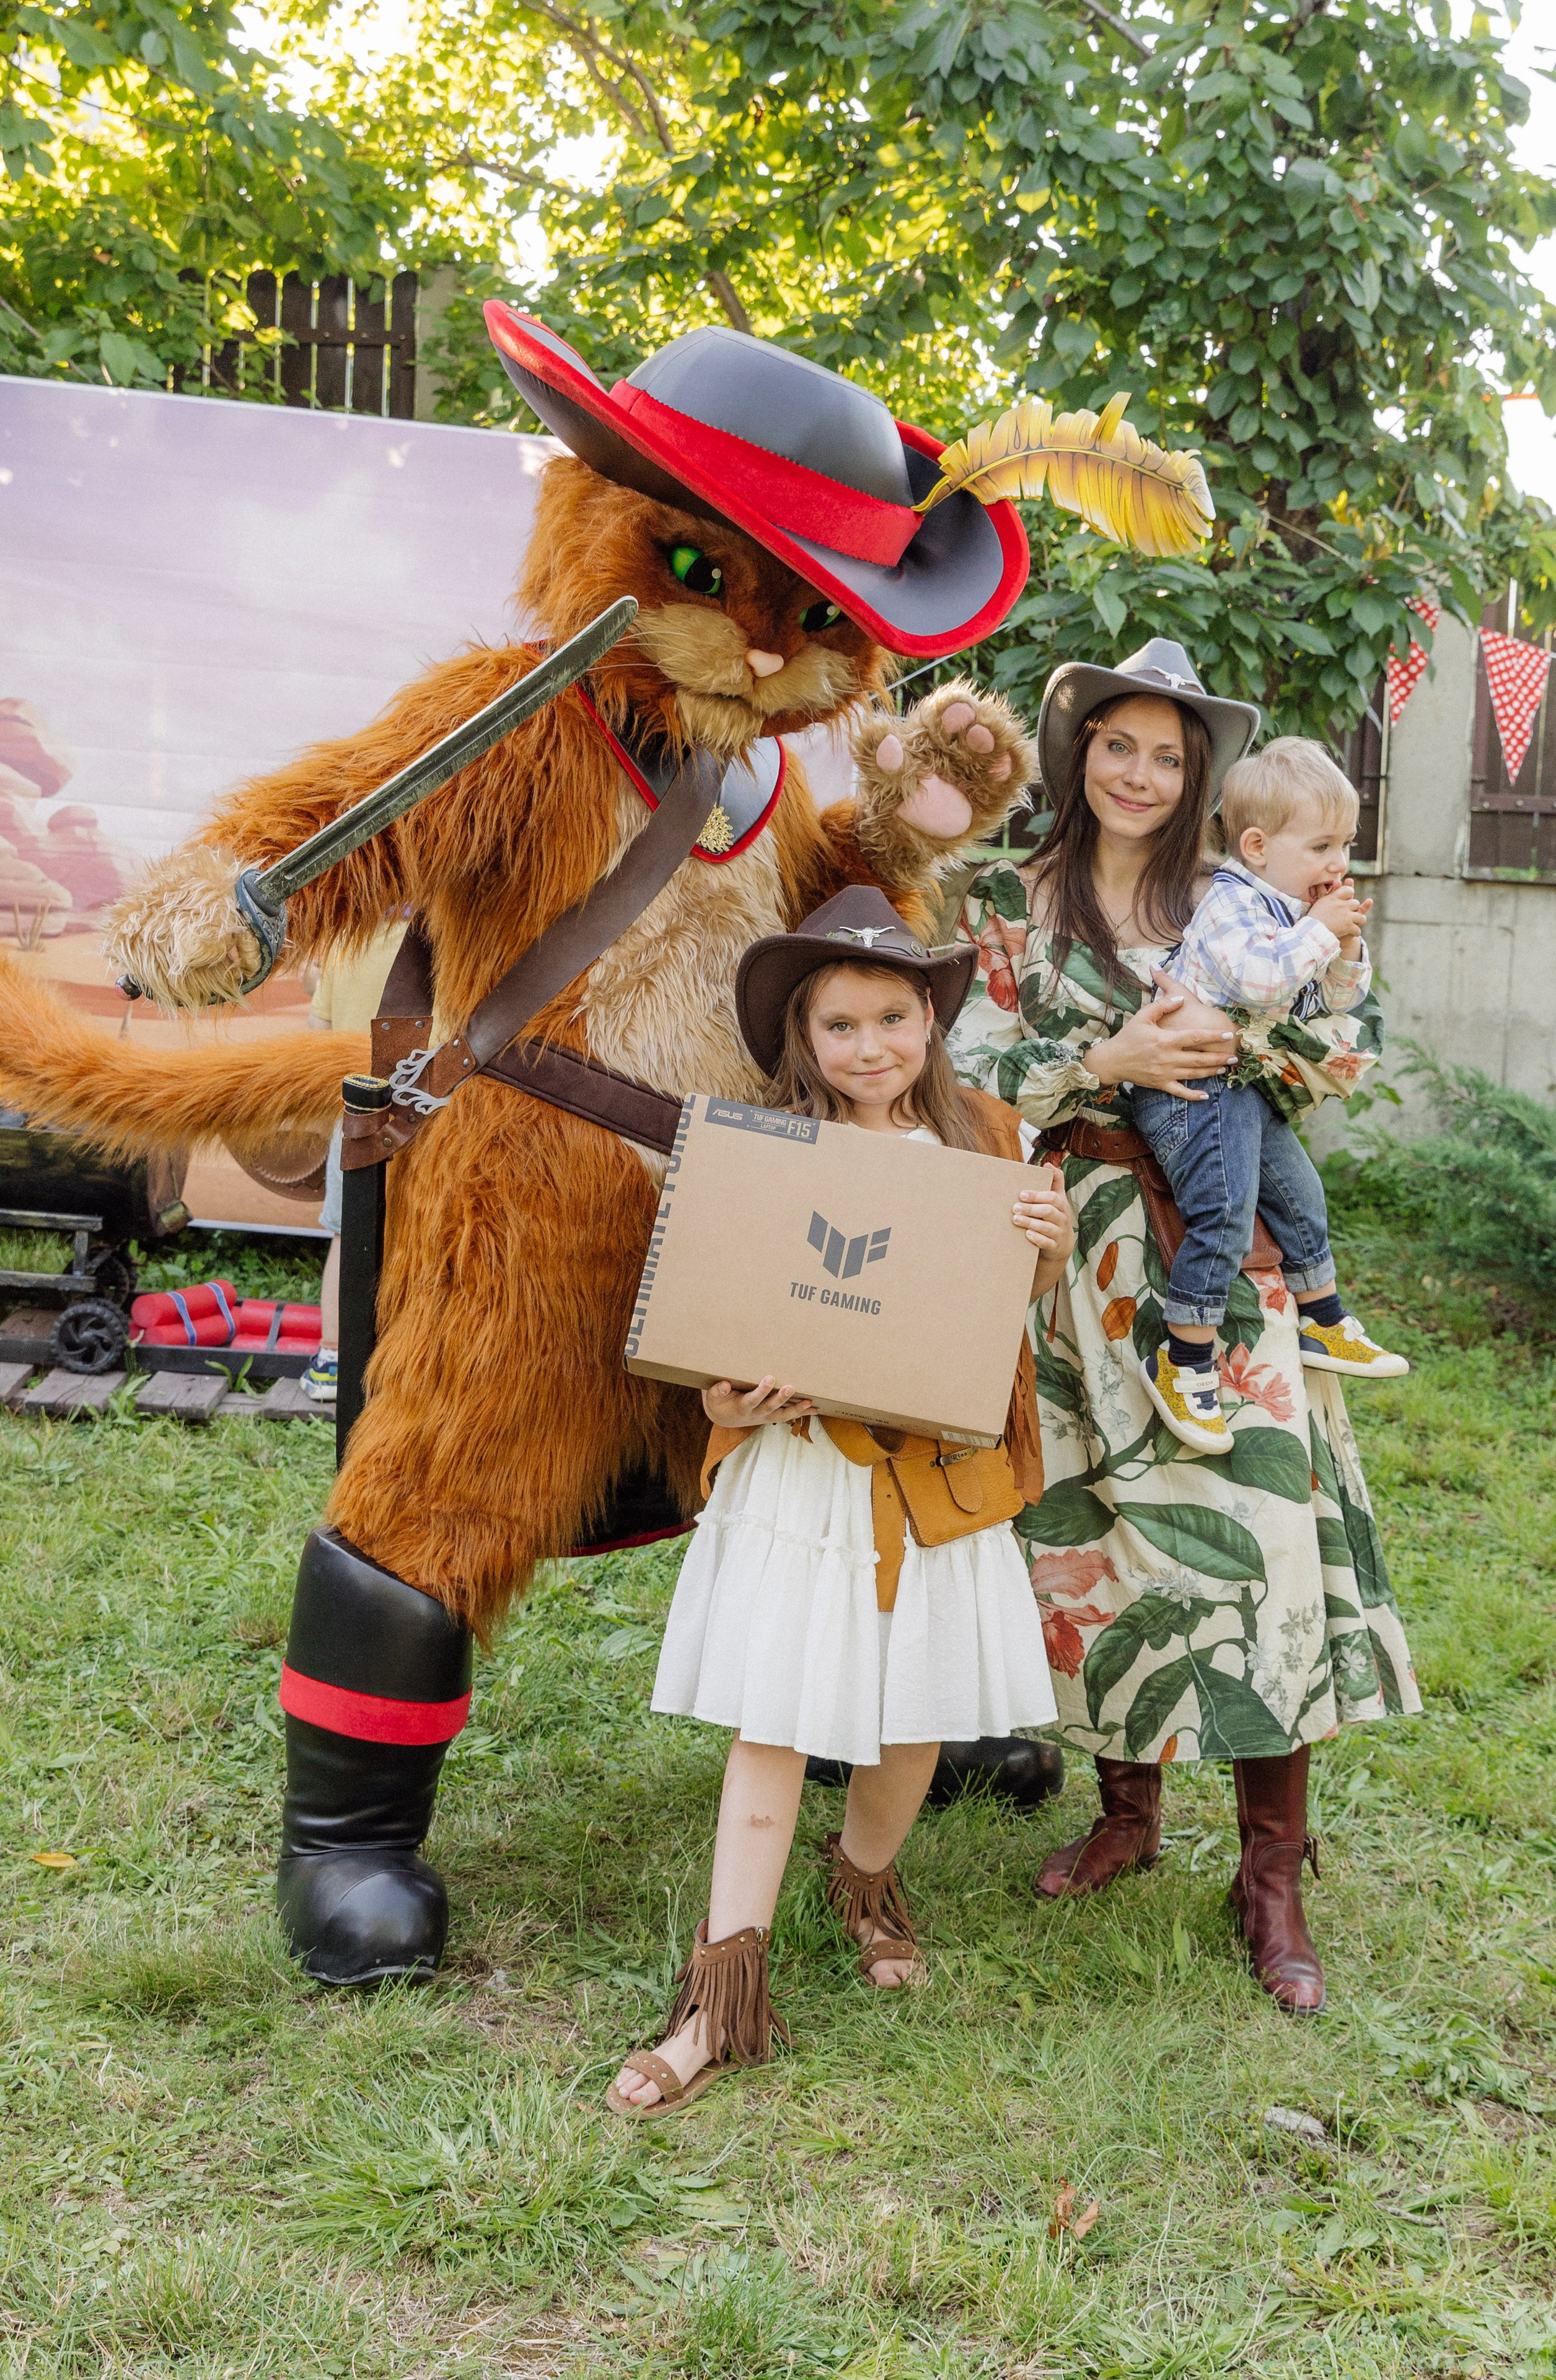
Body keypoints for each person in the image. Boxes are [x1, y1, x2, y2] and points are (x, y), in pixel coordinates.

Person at [950, 639, 1419, 2014]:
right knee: (1098, 1538)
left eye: (1167, 753)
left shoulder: (1241, 893)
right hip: (1067, 1247)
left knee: (1259, 1531)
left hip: (1218, 1259)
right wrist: (1107, 1060)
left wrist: (1281, 1003)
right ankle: (1126, 1811)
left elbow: (1332, 1062)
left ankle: (1268, 1871)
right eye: (1117, 745)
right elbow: (965, 1070)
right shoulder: (1009, 901)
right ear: (1077, 752)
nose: (1141, 774)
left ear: (1199, 772)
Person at [608, 887, 1076, 2117]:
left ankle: (863, 1876)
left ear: (928, 1018)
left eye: (892, 1016)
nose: (871, 1047)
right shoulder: (762, 1162)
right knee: (771, 1717)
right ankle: (720, 1996)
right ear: (801, 1045)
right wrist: (734, 1408)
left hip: (929, 1483)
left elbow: (1003, 1319)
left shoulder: (984, 1139)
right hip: (802, 1478)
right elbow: (708, 1366)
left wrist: (1047, 1240)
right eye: (840, 1027)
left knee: (908, 1714)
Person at [1127, 736, 1408, 1455]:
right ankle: (1184, 1359)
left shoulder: (1290, 916)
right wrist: (1316, 933)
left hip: (1240, 1086)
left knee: (1298, 1194)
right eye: (1321, 846)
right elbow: (1260, 982)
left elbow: (1331, 1001)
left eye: (1344, 843)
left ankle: (1323, 1318)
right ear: (1256, 845)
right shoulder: (1231, 904)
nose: (1338, 863)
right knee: (1223, 1212)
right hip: (1188, 1088)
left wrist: (1342, 949)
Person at [301, 919, 407, 1401]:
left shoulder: (342, 950)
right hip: (417, 1120)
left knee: (347, 1235)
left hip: (351, 1118)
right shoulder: (430, 947)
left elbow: (317, 1035)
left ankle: (331, 1359)